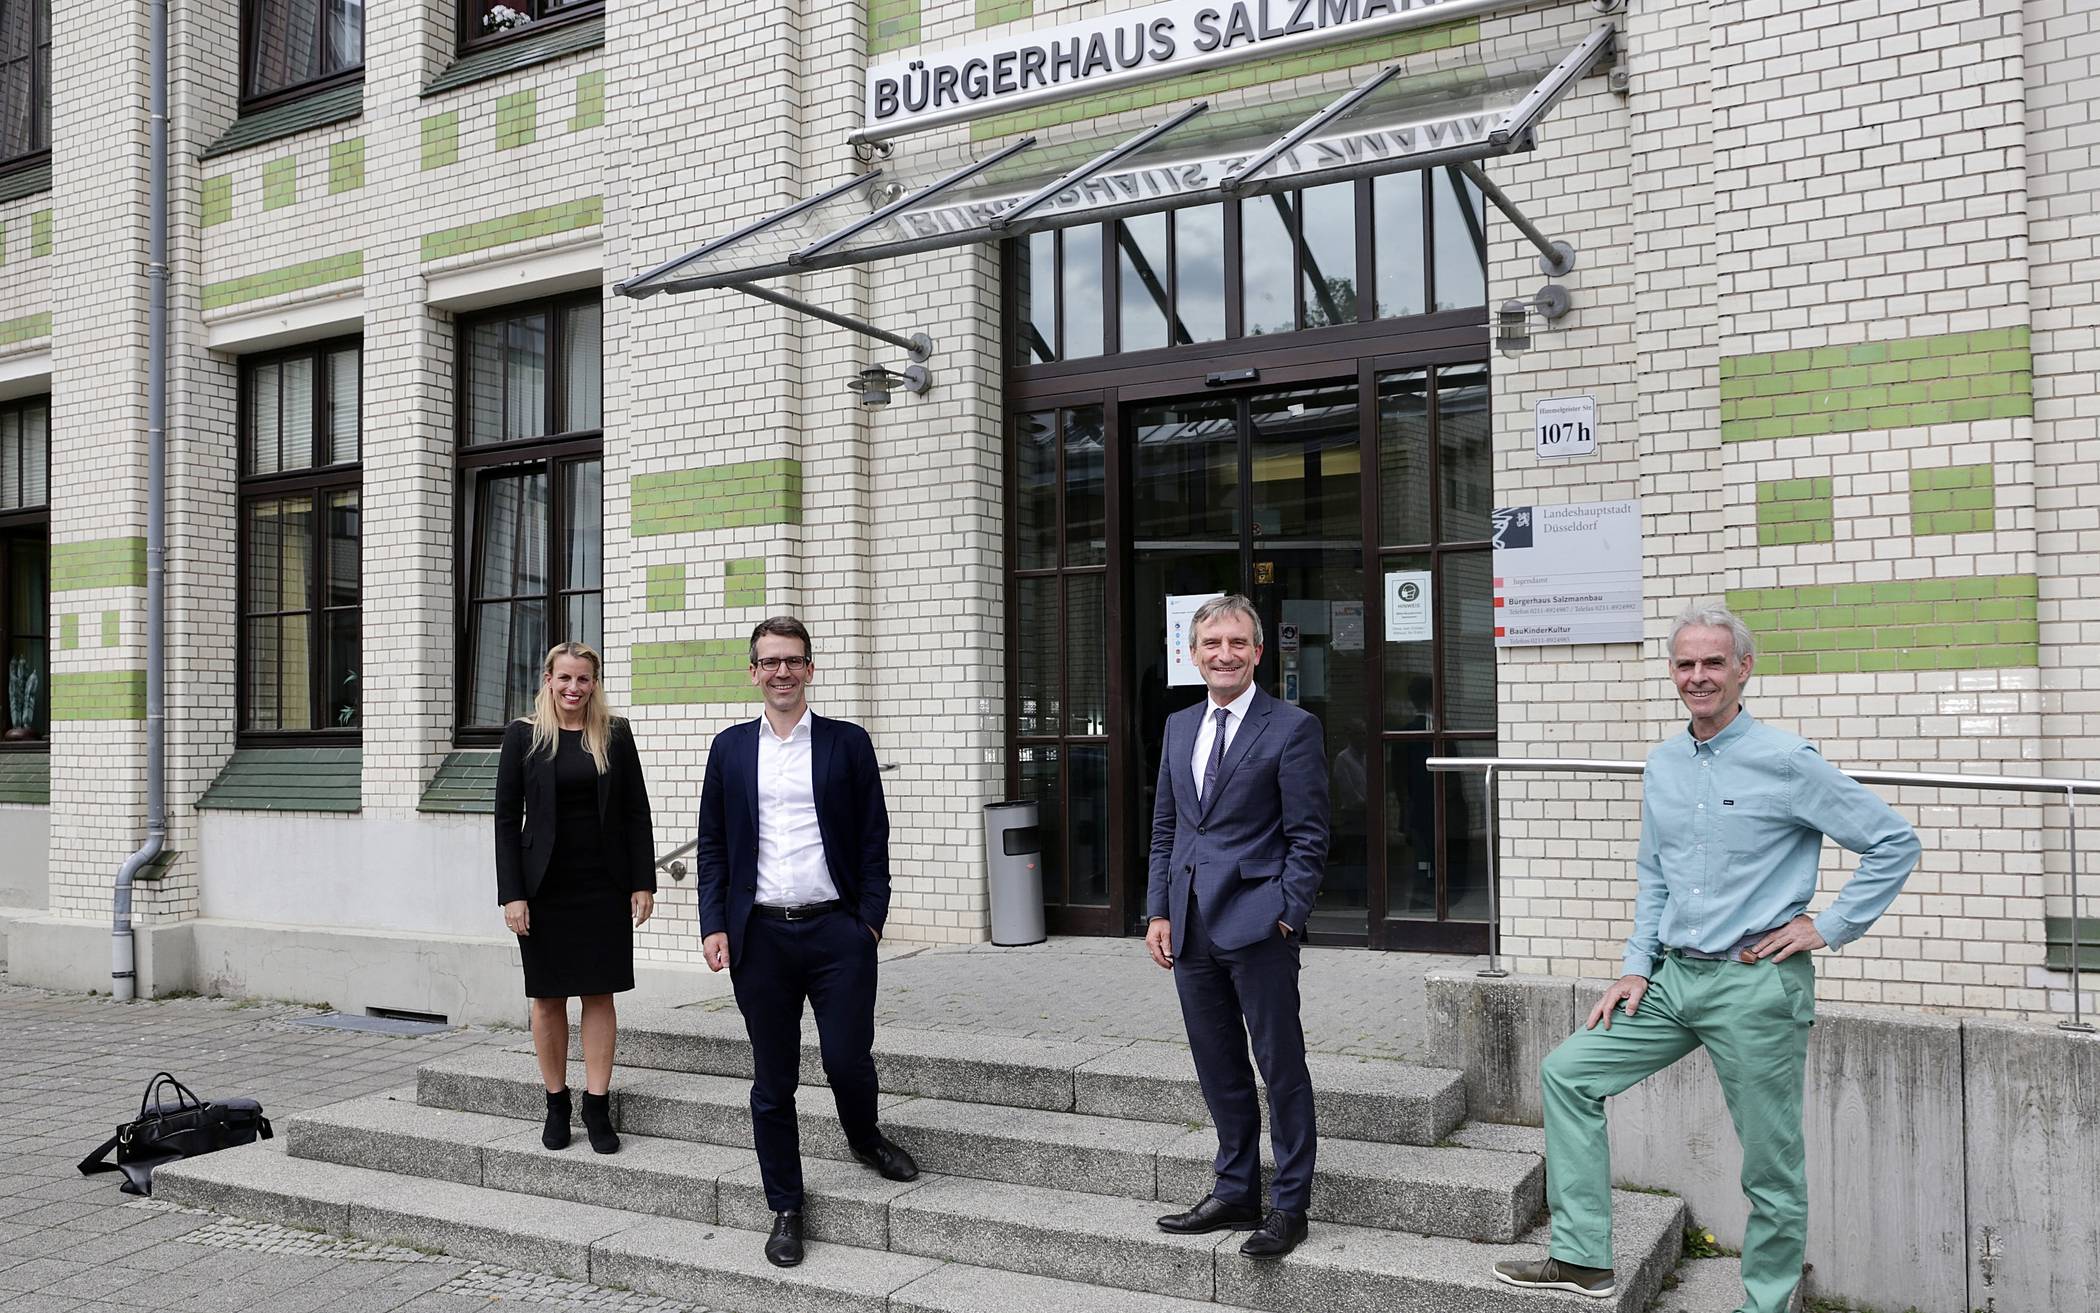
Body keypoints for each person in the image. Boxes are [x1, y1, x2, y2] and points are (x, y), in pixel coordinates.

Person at [1494, 604, 1919, 1308]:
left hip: (1755, 985)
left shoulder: (1786, 760)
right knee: (1568, 1073)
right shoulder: (1662, 763)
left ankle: (1766, 1303)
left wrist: (1831, 925)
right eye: (1686, 663)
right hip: (1671, 978)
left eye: (1713, 662)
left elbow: (1893, 842)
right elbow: (1654, 874)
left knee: (1769, 1165)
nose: (1699, 676)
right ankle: (1582, 1257)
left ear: (1743, 669)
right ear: (1673, 671)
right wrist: (1636, 965)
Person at [694, 615, 917, 1269]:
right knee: (774, 1079)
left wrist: (868, 921)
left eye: (793, 660)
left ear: (810, 668)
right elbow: (712, 845)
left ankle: (865, 1136)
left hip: (836, 932)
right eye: (770, 661)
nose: (782, 671)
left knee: (848, 1058)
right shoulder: (730, 748)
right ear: (754, 671)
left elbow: (874, 839)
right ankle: (785, 1205)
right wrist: (714, 923)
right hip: (759, 936)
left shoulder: (847, 743)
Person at [1145, 594, 1330, 1261]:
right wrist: (1159, 909)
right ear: (1192, 653)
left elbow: (1309, 833)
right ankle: (1234, 1188)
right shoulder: (1177, 726)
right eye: (1211, 643)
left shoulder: (1292, 726)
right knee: (1218, 1064)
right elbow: (1167, 826)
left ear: (1257, 651)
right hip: (1191, 925)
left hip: (1259, 926)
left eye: (1236, 642)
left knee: (1280, 1065)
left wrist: (1287, 912)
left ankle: (1290, 1204)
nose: (1223, 653)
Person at [495, 642, 658, 1156]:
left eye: (583, 679)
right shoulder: (523, 736)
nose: (573, 688)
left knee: (599, 994)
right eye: (564, 678)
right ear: (548, 679)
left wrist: (642, 881)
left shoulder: (614, 734)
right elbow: (505, 819)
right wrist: (512, 894)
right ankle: (556, 1102)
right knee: (546, 998)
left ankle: (597, 1104)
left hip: (602, 884)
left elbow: (636, 811)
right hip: (544, 889)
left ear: (595, 682)